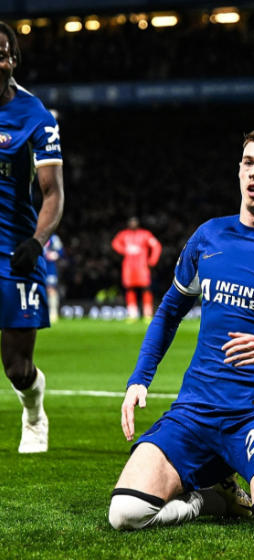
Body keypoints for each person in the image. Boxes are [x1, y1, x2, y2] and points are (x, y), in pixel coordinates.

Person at [109, 128, 254, 534]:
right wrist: (139, 379)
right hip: (195, 410)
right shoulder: (209, 236)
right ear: (239, 169)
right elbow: (169, 312)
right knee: (125, 513)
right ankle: (212, 499)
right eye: (248, 162)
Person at [0, 22, 64, 453]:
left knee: (17, 368)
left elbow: (53, 193)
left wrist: (37, 242)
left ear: (13, 61)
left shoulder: (34, 116)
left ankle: (34, 413)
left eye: (1, 54)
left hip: (13, 250)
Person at [111, 217, 162, 321]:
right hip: (128, 267)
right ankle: (132, 315)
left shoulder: (145, 234)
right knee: (130, 289)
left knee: (146, 289)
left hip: (142, 267)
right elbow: (115, 243)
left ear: (138, 224)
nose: (133, 224)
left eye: (134, 222)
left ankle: (147, 314)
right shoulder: (124, 234)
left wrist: (152, 261)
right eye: (131, 222)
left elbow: (157, 246)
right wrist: (124, 250)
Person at [43, 233, 64, 323]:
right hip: (38, 266)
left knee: (51, 289)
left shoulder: (53, 237)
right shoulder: (34, 234)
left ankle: (53, 313)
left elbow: (61, 251)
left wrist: (55, 254)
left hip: (50, 268)